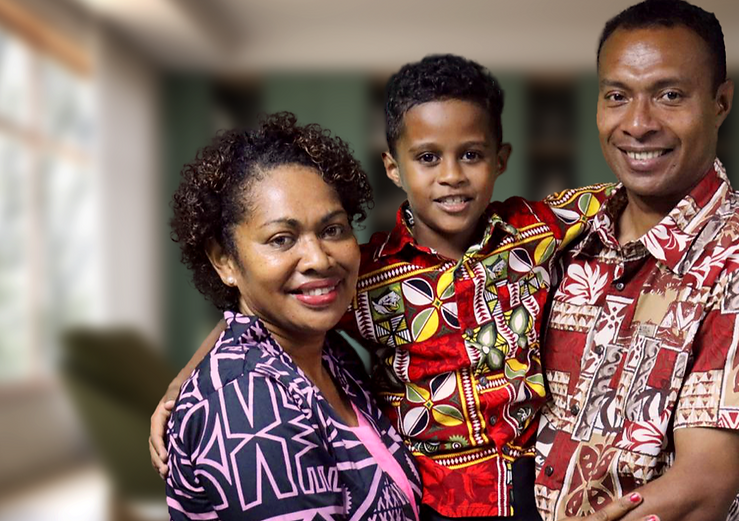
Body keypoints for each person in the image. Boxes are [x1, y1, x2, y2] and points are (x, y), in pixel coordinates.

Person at [153, 57, 644, 521]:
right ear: (394, 167)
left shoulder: (541, 229)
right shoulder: (364, 276)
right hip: (433, 499)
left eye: (471, 155)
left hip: (537, 484)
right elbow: (261, 317)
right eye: (428, 157)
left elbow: (641, 194)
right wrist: (185, 381)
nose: (451, 175)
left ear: (501, 160)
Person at [532, 0, 739, 521]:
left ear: (720, 102)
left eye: (670, 95)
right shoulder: (566, 230)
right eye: (617, 96)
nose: (638, 124)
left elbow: (698, 492)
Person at [165, 112, 421, 520]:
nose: (319, 259)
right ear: (224, 260)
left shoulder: (331, 353)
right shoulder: (247, 408)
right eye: (281, 239)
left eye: (333, 230)